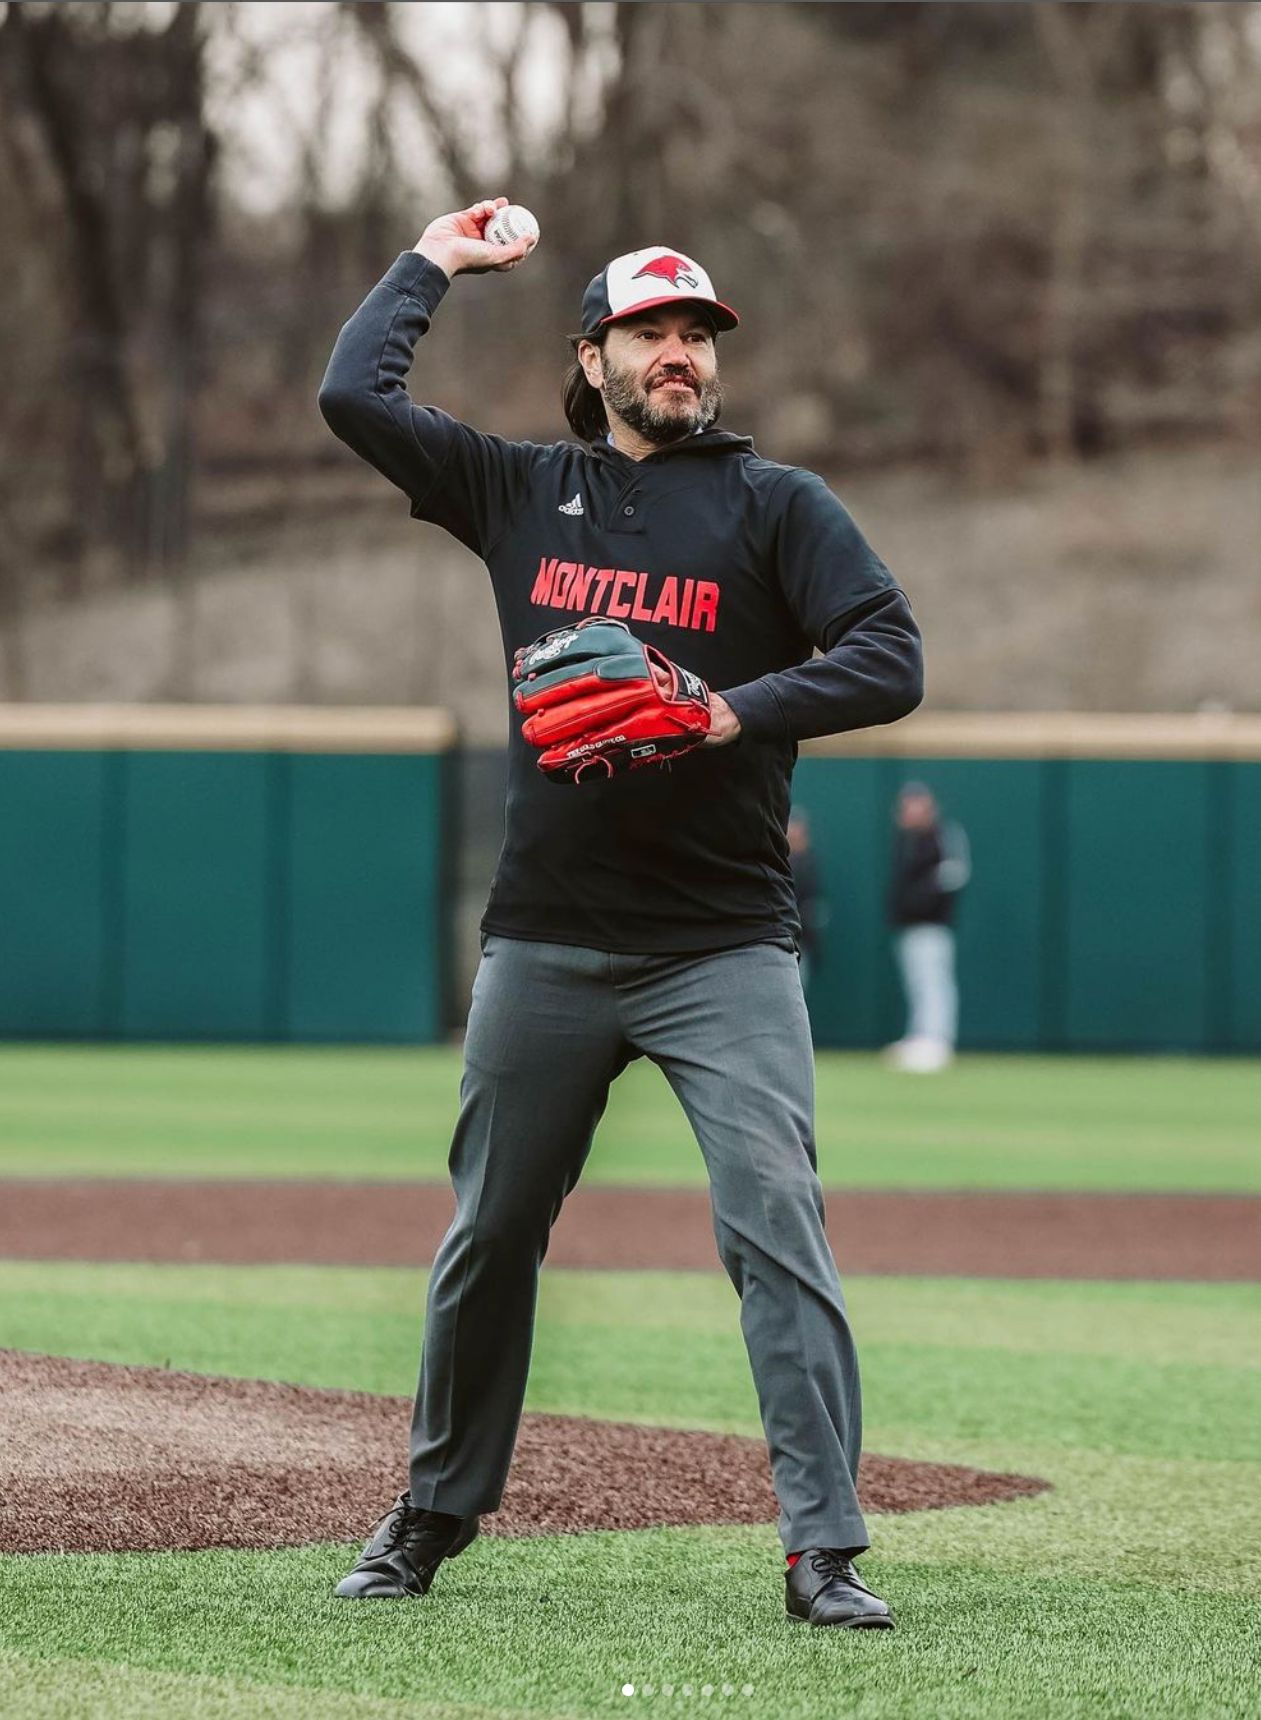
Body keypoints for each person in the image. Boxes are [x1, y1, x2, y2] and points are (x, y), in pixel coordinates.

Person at [316, 199, 920, 1630]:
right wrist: (432, 264)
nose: (678, 354)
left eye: (695, 334)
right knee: (489, 1233)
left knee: (776, 1223)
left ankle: (821, 1546)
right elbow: (354, 394)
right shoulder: (519, 491)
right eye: (649, 331)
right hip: (548, 940)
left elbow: (889, 656)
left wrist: (728, 711)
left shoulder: (778, 507)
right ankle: (432, 1512)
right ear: (593, 358)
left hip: (723, 945)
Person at [885, 783, 968, 1072]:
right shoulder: (904, 840)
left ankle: (937, 1040)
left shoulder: (942, 836)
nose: (910, 812)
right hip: (908, 926)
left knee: (934, 982)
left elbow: (951, 877)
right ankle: (920, 1037)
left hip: (933, 926)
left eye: (916, 806)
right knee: (917, 984)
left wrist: (923, 903)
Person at [785, 808, 828, 973]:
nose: (794, 834)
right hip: (780, 938)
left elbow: (812, 902)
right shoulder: (778, 861)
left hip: (802, 939)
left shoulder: (809, 862)